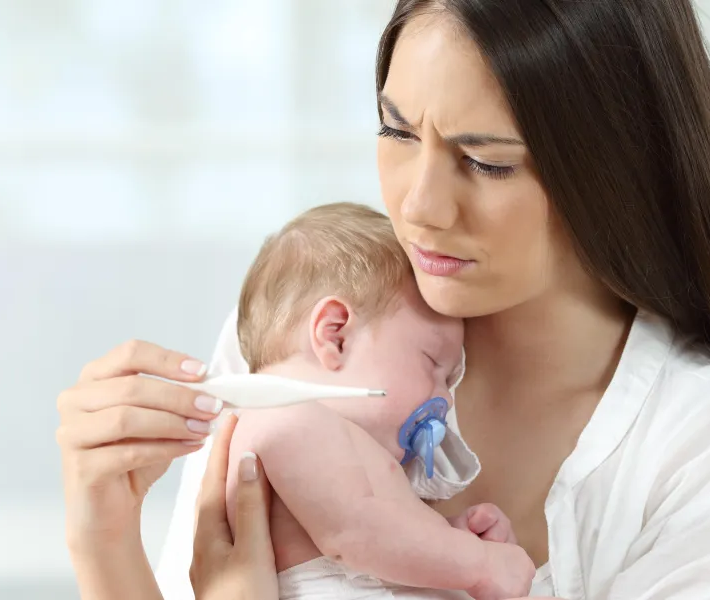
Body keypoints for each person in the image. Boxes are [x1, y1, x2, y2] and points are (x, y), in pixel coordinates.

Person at [58, 1, 710, 599]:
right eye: (398, 132)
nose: (420, 206)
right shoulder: (317, 337)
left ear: (617, 170)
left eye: (486, 162)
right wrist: (102, 540)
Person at [224, 202, 534, 599]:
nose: (446, 399)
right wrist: (478, 562)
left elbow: (385, 541)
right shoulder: (285, 418)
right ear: (335, 335)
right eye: (432, 362)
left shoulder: (335, 438)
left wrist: (450, 536)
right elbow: (355, 531)